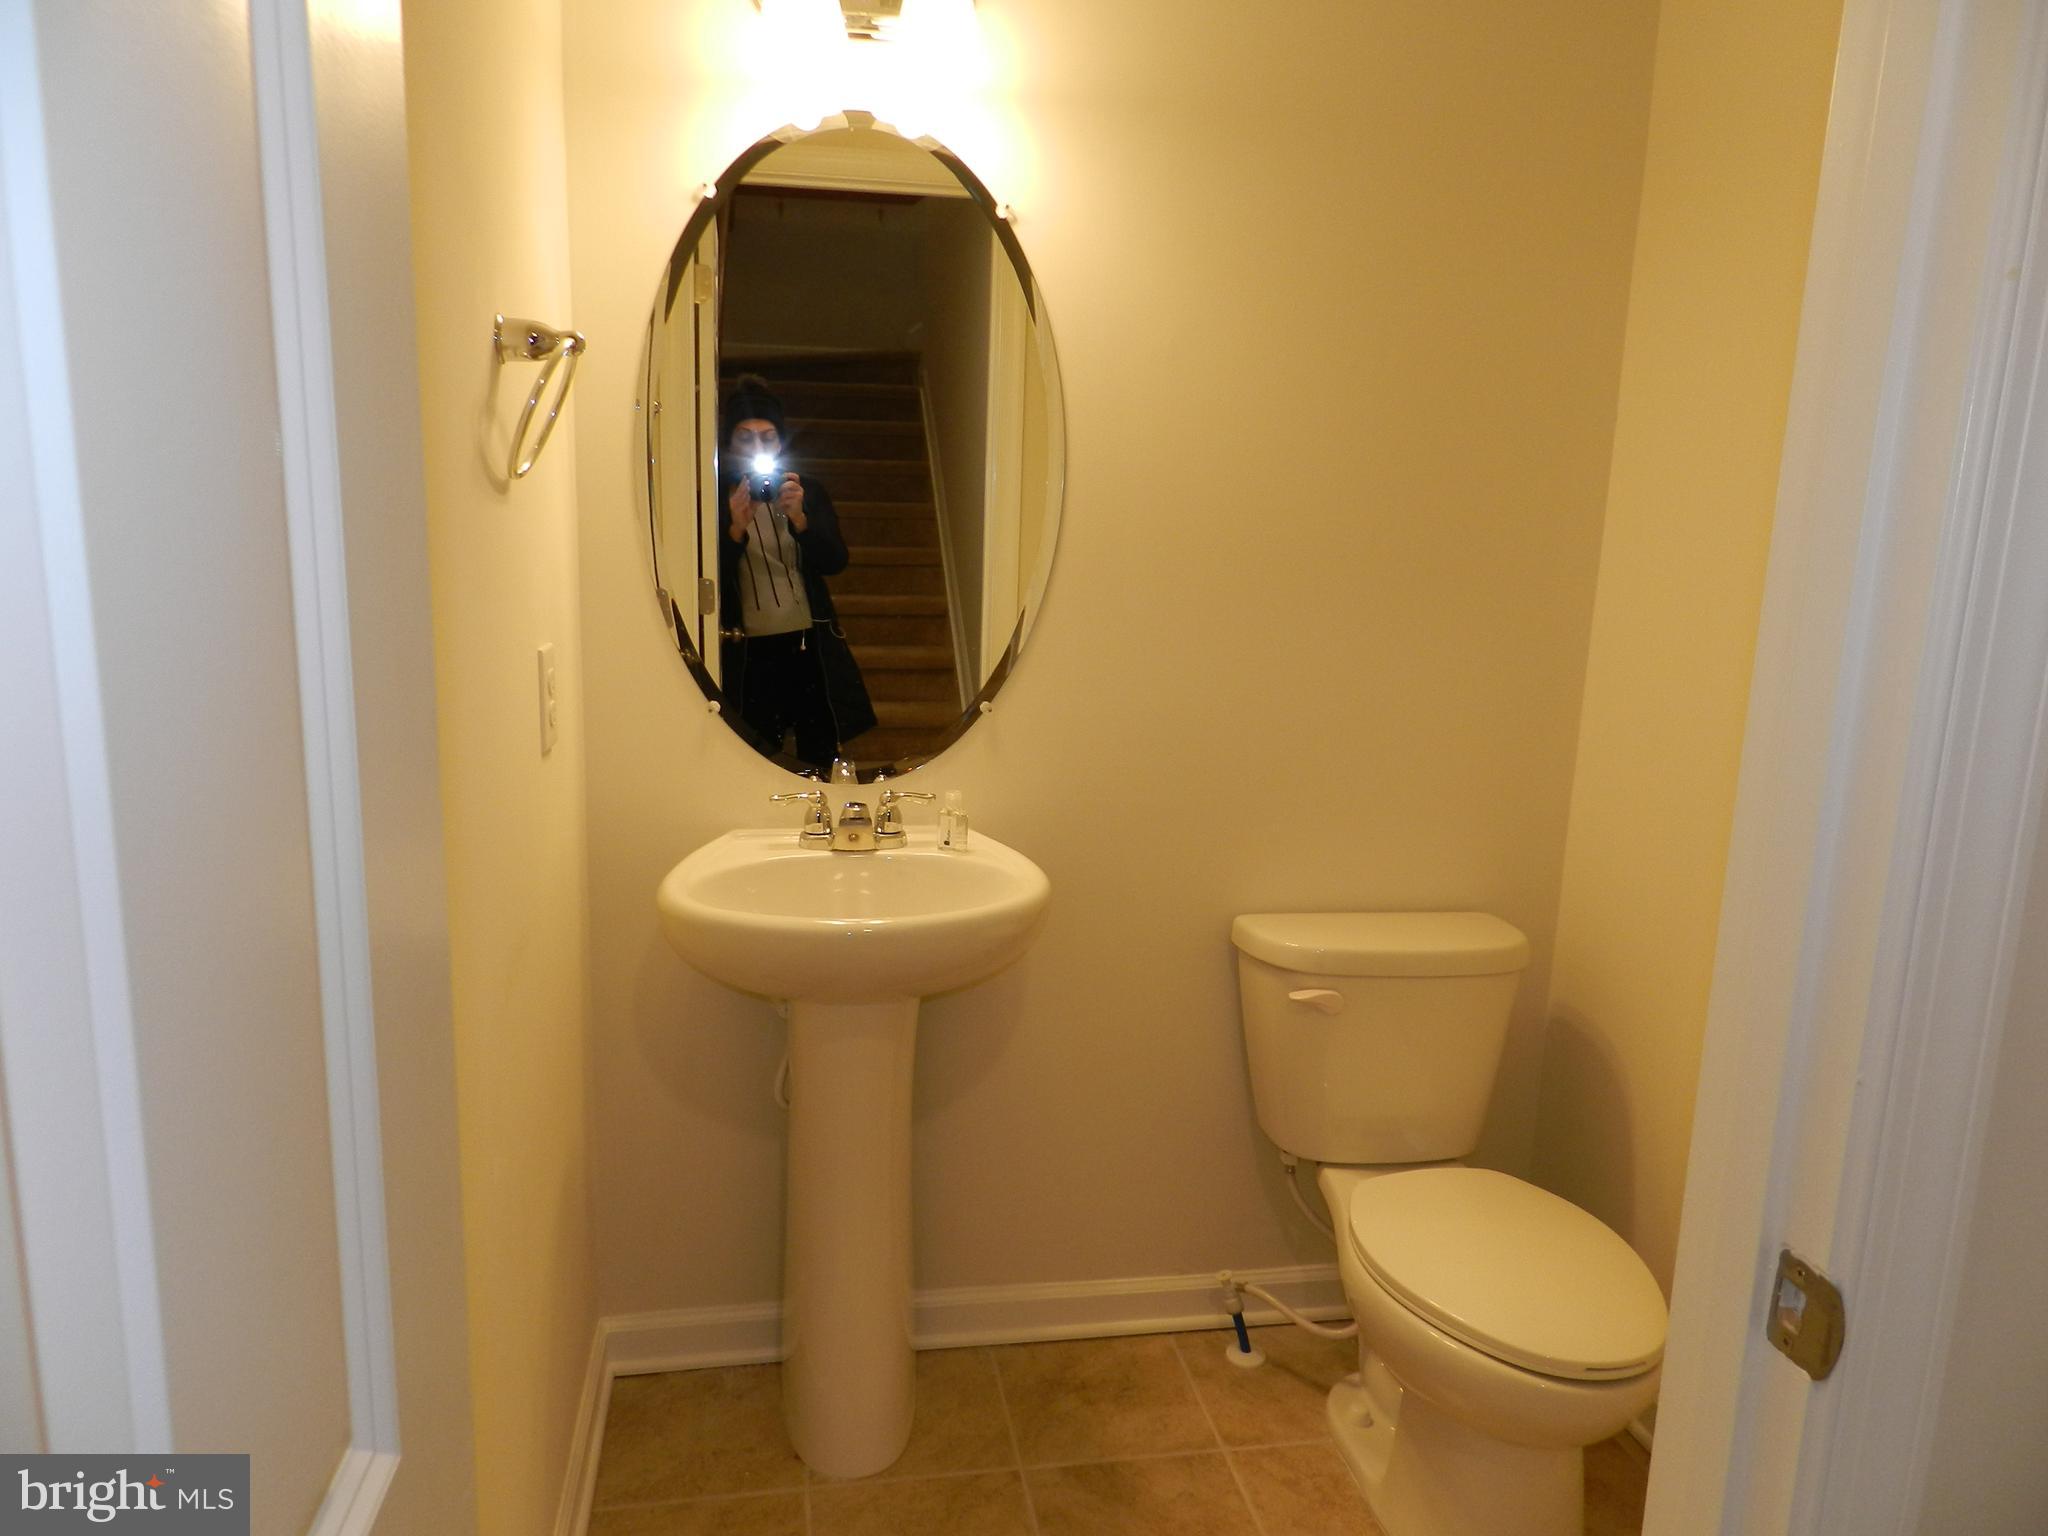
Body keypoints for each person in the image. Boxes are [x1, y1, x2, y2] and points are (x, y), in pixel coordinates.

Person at [717, 374, 876, 770]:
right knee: (757, 756)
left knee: (819, 750)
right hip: (747, 650)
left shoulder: (807, 491)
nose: (758, 446)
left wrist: (802, 521)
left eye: (768, 437)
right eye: (746, 437)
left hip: (809, 643)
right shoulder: (711, 496)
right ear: (730, 442)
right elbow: (705, 578)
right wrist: (735, 528)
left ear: (780, 440)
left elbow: (835, 562)